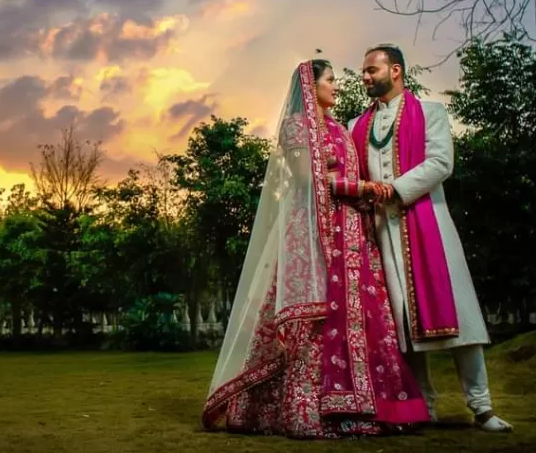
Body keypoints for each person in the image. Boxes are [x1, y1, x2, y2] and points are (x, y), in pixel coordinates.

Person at [201, 59, 429, 439]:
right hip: (312, 232)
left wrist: (362, 200)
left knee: (360, 316)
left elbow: (345, 174)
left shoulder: (340, 128)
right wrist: (362, 189)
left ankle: (367, 406)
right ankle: (307, 409)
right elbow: (309, 179)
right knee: (315, 318)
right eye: (330, 80)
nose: (336, 86)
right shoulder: (296, 127)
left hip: (352, 233)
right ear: (311, 85)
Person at [335, 44, 513, 433]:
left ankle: (481, 407)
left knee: (459, 317)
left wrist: (393, 189)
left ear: (395, 70)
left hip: (428, 222)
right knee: (401, 326)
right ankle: (423, 405)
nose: (364, 77)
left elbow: (440, 163)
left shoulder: (430, 112)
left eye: (371, 70)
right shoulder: (355, 126)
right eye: (363, 71)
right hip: (381, 233)